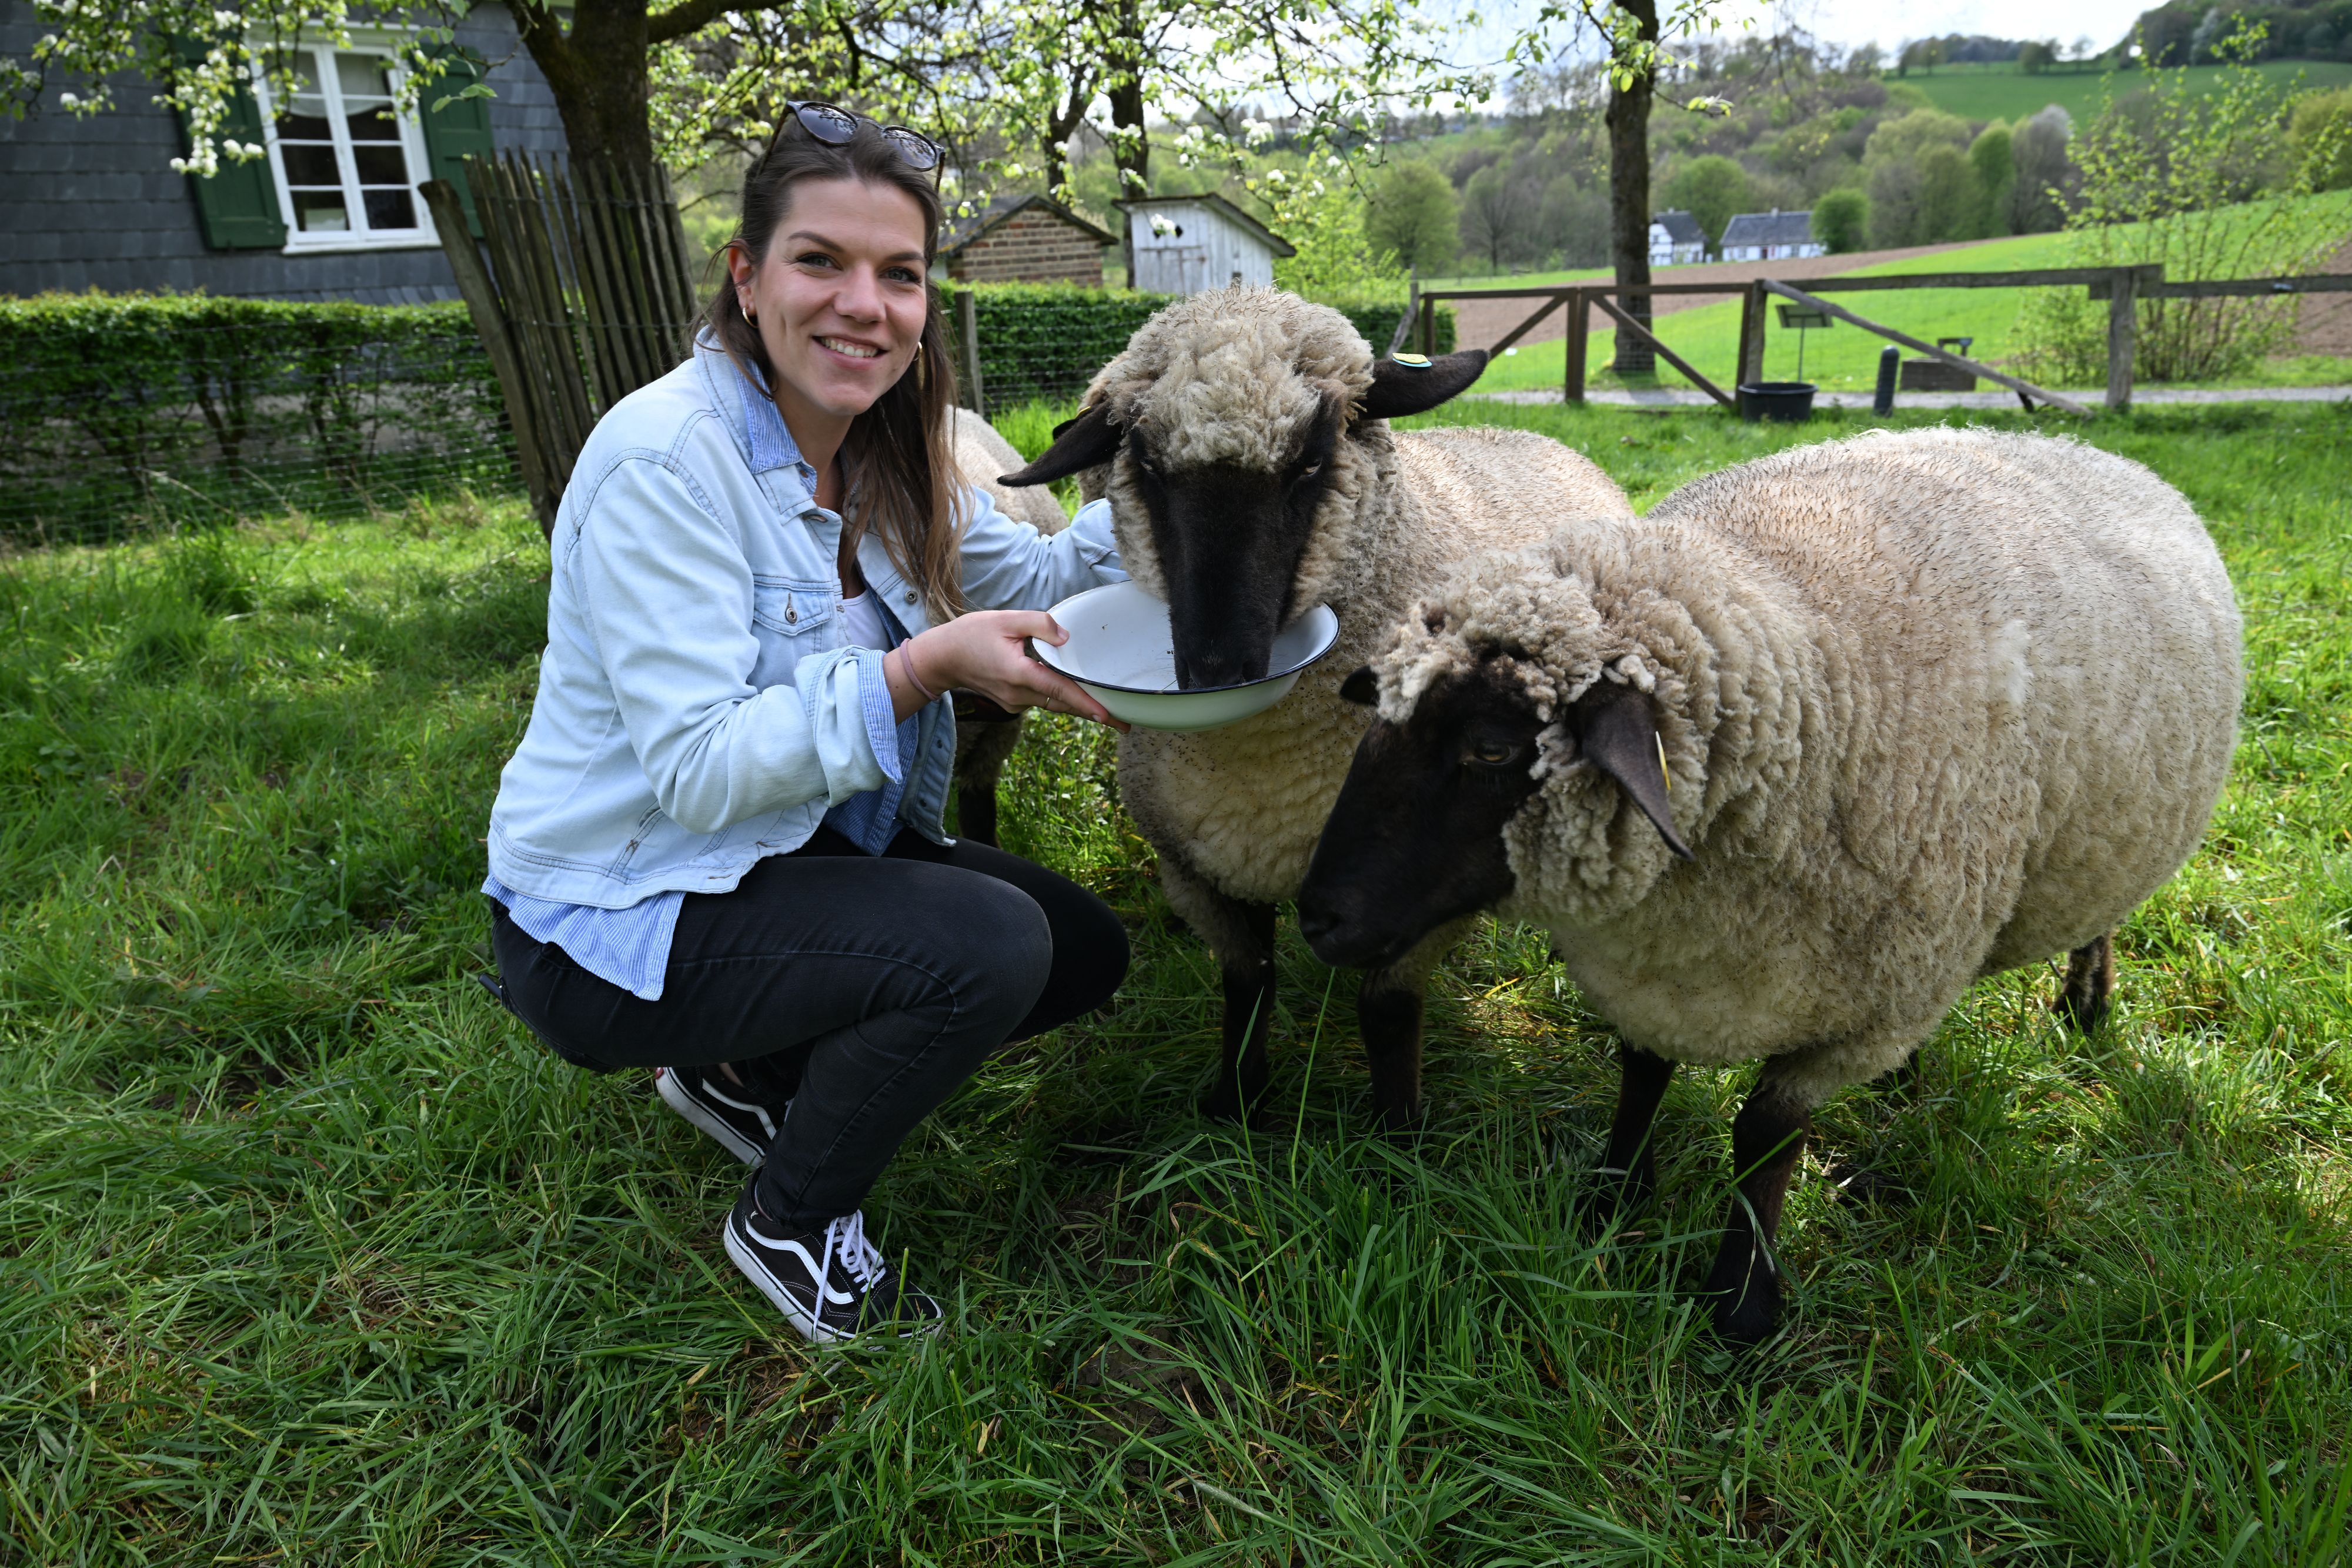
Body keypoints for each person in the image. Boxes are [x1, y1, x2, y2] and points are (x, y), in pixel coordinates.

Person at [477, 103, 1132, 1345]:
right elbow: (701, 771)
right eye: (819, 261)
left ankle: (741, 1071)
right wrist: (917, 671)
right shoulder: (663, 464)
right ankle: (790, 1218)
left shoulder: (890, 456)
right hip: (614, 914)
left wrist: (1176, 476)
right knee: (983, 948)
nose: (863, 306)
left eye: (898, 274)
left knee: (1078, 947)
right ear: (746, 275)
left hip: (772, 859)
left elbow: (1039, 582)